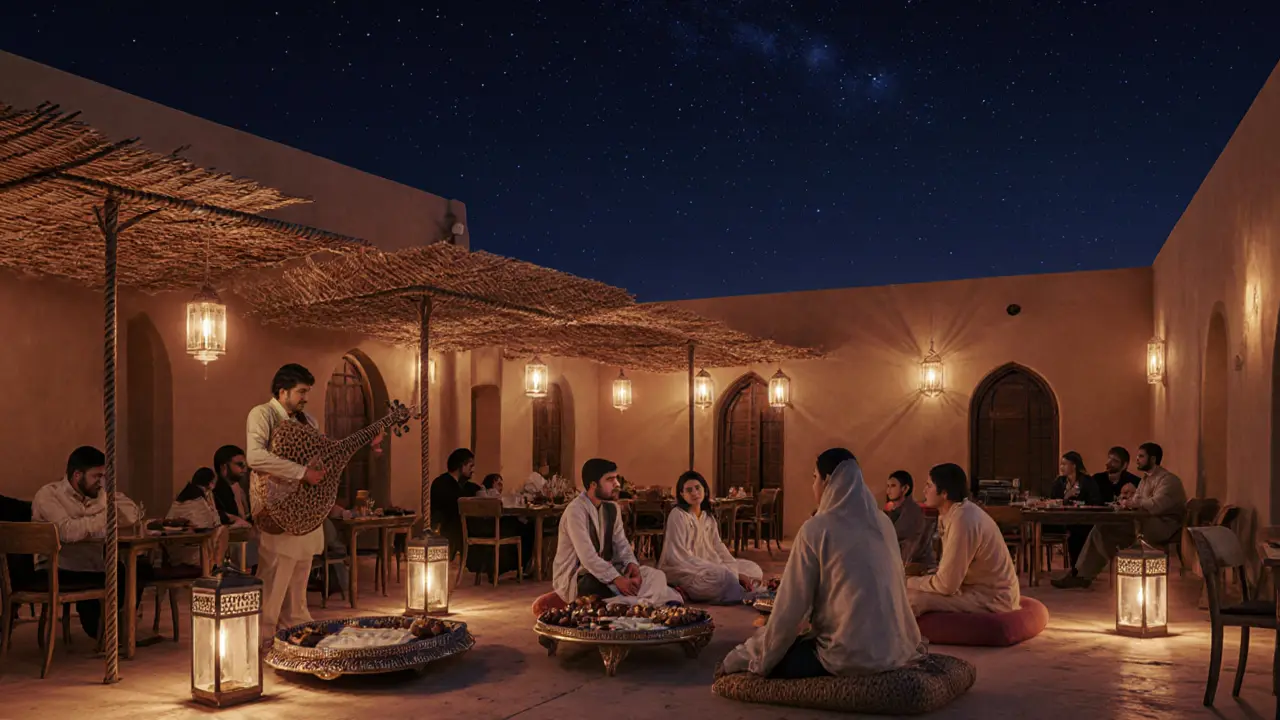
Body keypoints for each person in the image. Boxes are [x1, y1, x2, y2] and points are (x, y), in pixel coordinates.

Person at [722, 449, 925, 679]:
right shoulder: (883, 523)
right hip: (895, 648)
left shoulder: (817, 529)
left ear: (827, 481)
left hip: (847, 655)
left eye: (814, 478)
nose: (813, 486)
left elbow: (790, 608)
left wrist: (754, 657)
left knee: (770, 651)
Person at [248, 363, 383, 644]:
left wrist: (369, 440)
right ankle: (263, 634)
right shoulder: (262, 415)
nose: (304, 397)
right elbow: (256, 457)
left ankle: (297, 625)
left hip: (305, 508)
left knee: (301, 569)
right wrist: (301, 473)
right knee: (275, 571)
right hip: (276, 506)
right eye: (300, 392)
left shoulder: (308, 421)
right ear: (282, 391)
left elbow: (326, 454)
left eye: (307, 392)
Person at [31, 446, 149, 639]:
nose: (101, 482)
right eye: (97, 476)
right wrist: (103, 517)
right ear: (77, 475)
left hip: (91, 561)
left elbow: (131, 514)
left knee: (140, 567)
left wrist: (93, 516)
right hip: (59, 567)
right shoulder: (48, 495)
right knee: (120, 572)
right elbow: (67, 531)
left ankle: (115, 627)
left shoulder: (97, 494)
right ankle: (103, 630)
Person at [1053, 442, 1187, 589]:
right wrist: (1127, 503)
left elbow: (1156, 505)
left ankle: (1089, 572)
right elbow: (1136, 501)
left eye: (1141, 456)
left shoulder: (1168, 480)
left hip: (1162, 526)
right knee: (1101, 529)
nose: (1137, 459)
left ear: (1153, 459)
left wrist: (1133, 503)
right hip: (1144, 522)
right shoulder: (1146, 479)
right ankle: (1081, 574)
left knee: (1104, 531)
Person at [552, 458, 682, 606]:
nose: (617, 484)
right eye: (610, 479)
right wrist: (616, 579)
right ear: (593, 485)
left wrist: (631, 566)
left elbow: (622, 544)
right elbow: (588, 558)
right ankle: (641, 602)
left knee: (656, 575)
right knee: (592, 585)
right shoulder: (575, 511)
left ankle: (634, 602)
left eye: (616, 478)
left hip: (612, 573)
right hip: (580, 577)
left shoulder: (612, 508)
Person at [906, 463, 1020, 615]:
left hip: (991, 598)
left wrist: (908, 581)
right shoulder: (953, 514)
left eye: (929, 485)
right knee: (905, 592)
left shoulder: (963, 519)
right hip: (971, 589)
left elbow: (947, 585)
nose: (924, 490)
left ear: (944, 493)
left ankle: (900, 638)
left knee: (911, 599)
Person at [659, 470, 764, 604]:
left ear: (705, 490)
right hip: (686, 571)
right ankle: (683, 589)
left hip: (712, 567)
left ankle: (733, 586)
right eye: (689, 490)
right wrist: (729, 573)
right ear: (681, 494)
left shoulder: (708, 517)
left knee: (754, 569)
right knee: (721, 577)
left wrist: (734, 570)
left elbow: (718, 547)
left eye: (697, 488)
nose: (694, 493)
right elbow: (679, 557)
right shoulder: (678, 515)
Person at [164, 467, 232, 570]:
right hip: (195, 555)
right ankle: (216, 569)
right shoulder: (200, 501)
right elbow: (211, 524)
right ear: (210, 483)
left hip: (174, 554)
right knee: (223, 531)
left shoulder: (180, 498)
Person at [1047, 451, 1104, 566]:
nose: (1061, 467)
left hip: (1082, 518)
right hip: (1061, 519)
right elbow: (1053, 500)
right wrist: (1066, 497)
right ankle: (1077, 567)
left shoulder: (1087, 481)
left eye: (1065, 464)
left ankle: (1079, 567)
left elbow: (1096, 500)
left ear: (1074, 465)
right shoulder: (1059, 482)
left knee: (1078, 531)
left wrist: (1080, 503)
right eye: (1061, 464)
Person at [430, 448, 475, 562]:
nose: (472, 470)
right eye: (470, 466)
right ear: (462, 465)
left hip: (455, 527)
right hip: (449, 529)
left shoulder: (460, 485)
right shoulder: (443, 484)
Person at [885, 470, 935, 567]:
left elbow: (909, 543)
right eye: (888, 486)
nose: (888, 491)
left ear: (905, 489)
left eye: (893, 486)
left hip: (915, 565)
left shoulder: (913, 511)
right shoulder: (891, 511)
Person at [212, 444, 251, 524]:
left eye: (245, 465)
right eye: (240, 464)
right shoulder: (217, 495)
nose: (245, 469)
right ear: (224, 467)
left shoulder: (241, 487)